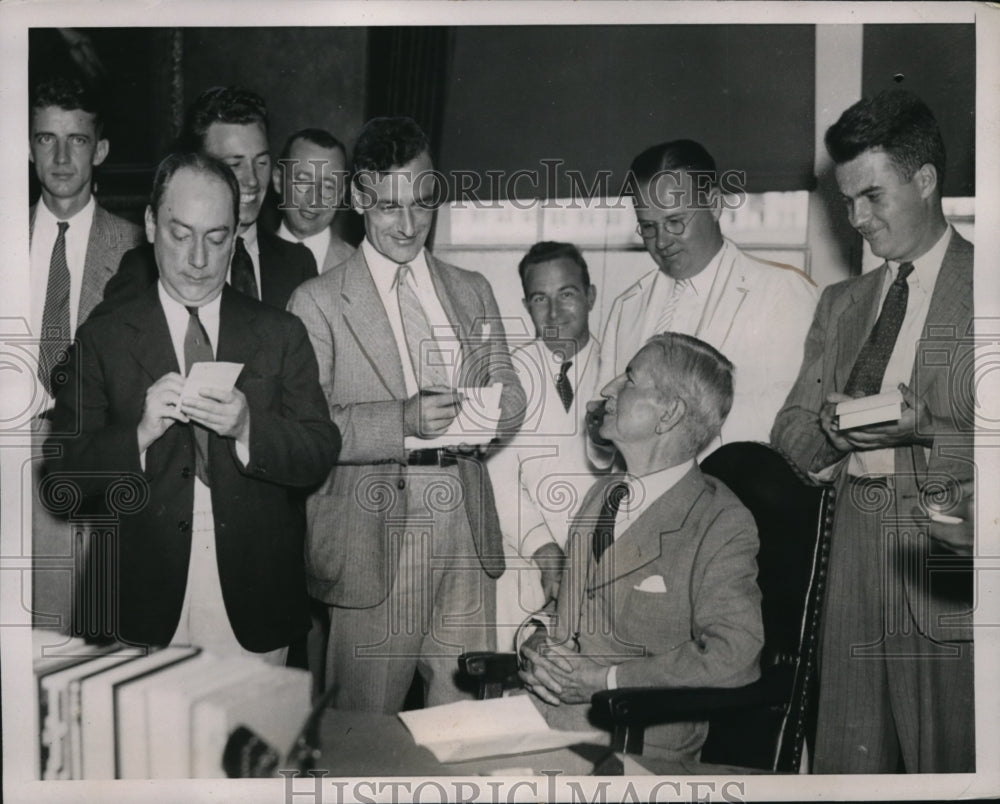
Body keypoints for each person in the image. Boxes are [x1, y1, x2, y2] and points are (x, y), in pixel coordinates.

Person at [45, 152, 340, 661]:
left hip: (256, 600)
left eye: (218, 237)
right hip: (137, 599)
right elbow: (59, 482)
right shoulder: (104, 337)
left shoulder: (279, 333)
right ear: (151, 224)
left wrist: (251, 428)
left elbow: (319, 449)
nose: (199, 259)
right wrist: (136, 435)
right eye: (181, 235)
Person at [288, 116, 526, 711]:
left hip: (466, 519)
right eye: (391, 205)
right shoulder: (317, 300)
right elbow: (307, 427)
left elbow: (512, 393)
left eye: (422, 203)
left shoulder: (470, 288)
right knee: (362, 729)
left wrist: (489, 413)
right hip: (375, 530)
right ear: (360, 198)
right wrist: (402, 421)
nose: (410, 223)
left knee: (464, 724)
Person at [771, 89, 974, 773]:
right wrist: (831, 434)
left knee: (952, 768)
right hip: (851, 559)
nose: (855, 218)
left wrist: (924, 432)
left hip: (950, 564)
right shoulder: (841, 303)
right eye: (847, 200)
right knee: (845, 774)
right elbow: (790, 434)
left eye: (872, 197)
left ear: (925, 181)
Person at [519, 332, 763, 763]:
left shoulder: (720, 522)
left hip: (634, 742)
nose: (608, 389)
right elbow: (565, 615)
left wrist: (608, 680)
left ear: (668, 414)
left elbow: (735, 655)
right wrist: (537, 639)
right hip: (540, 720)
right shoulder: (602, 496)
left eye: (629, 379)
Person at [597, 139, 818, 448]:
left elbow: (798, 420)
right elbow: (604, 429)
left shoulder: (781, 292)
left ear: (715, 203)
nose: (661, 242)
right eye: (648, 227)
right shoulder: (628, 306)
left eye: (675, 221)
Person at [28, 75, 144, 632]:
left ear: (99, 149)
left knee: (75, 635)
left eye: (76, 139)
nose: (61, 155)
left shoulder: (135, 251)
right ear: (28, 146)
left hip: (87, 465)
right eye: (46, 138)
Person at [100, 86, 316, 312]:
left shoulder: (297, 264)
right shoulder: (145, 269)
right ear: (198, 165)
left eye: (261, 162)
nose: (252, 180)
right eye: (234, 165)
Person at [487, 241, 602, 648]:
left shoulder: (623, 371)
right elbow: (498, 477)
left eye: (566, 294)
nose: (554, 313)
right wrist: (544, 549)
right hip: (526, 556)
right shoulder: (508, 374)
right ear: (526, 304)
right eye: (540, 299)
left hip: (603, 558)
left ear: (589, 296)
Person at [271, 128, 355, 273]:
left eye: (328, 186)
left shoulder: (360, 268)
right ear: (278, 181)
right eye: (303, 181)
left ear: (341, 195)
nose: (314, 199)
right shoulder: (247, 260)